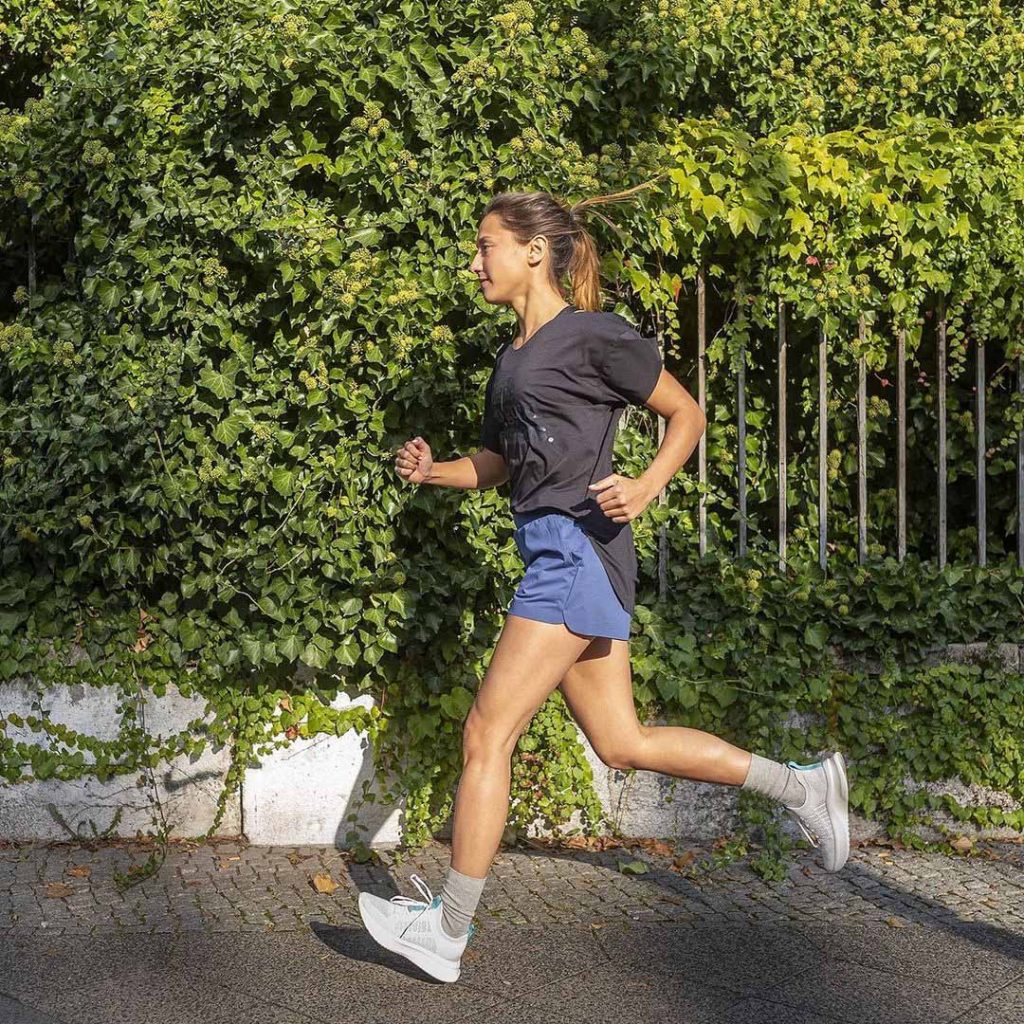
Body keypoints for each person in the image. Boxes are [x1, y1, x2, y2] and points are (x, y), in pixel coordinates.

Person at [358, 188, 849, 983]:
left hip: (574, 553)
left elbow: (685, 413)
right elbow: (503, 464)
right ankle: (800, 786)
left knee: (487, 733)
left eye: (486, 245)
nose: (473, 260)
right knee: (622, 744)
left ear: (531, 252)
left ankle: (446, 932)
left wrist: (648, 485)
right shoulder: (512, 359)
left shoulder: (594, 337)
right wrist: (435, 471)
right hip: (562, 555)